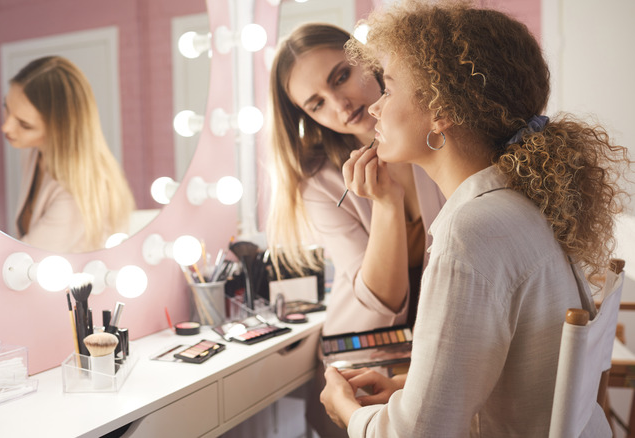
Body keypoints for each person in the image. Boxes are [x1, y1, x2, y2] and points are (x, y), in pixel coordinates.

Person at [320, 1, 631, 436]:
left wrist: (348, 413)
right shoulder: (522, 205)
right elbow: (520, 364)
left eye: (387, 89)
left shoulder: (471, 231)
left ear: (441, 111)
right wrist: (408, 387)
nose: (374, 109)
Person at [265, 23, 444, 437]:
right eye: (317, 104)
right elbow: (384, 301)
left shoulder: (436, 128)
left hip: (441, 346)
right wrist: (386, 203)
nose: (340, 105)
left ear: (367, 58)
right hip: (365, 353)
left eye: (341, 76)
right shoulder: (319, 182)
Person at [3, 56, 135, 253]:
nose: (6, 127)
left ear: (59, 130)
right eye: (6, 108)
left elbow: (26, 259)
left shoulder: (76, 192)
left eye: (25, 125)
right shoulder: (33, 154)